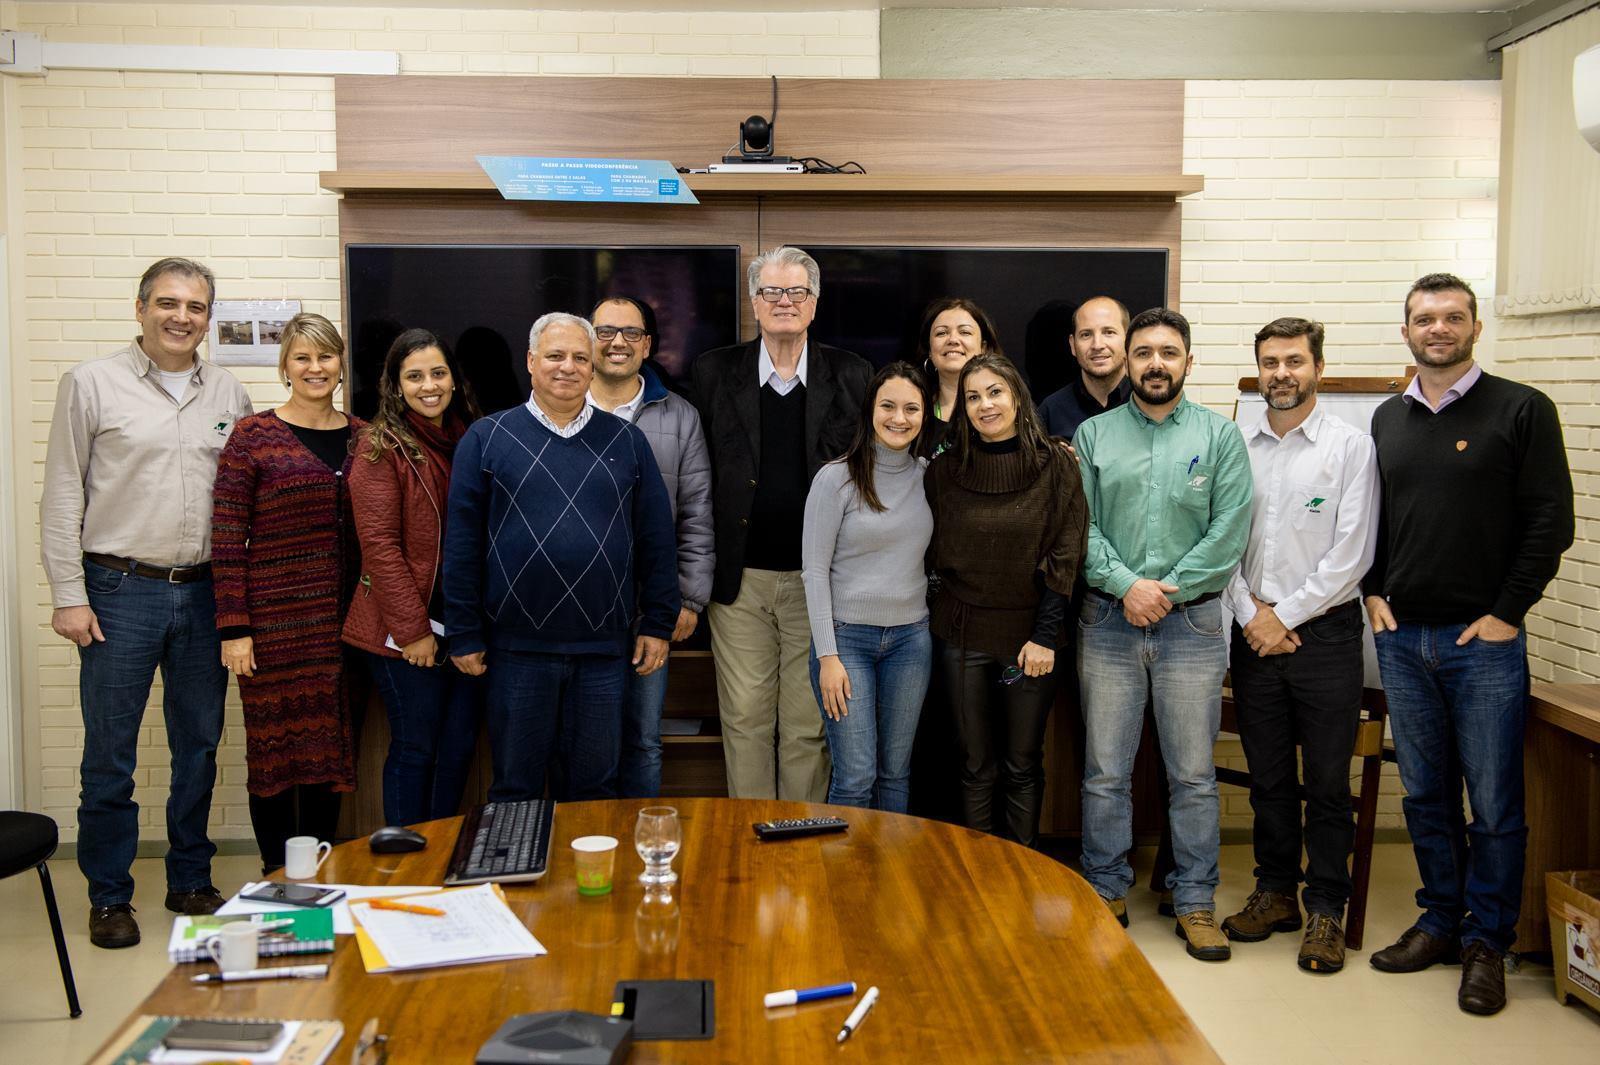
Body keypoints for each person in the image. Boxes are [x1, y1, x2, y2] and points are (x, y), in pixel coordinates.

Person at [1363, 273, 1573, 1015]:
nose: (1439, 328)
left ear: (1476, 327)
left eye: (1453, 316)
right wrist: (1374, 590)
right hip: (1404, 639)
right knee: (1424, 794)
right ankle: (1439, 921)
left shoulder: (1521, 409)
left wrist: (1509, 611)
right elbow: (1375, 522)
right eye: (1425, 318)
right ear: (1406, 331)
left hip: (1482, 641)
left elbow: (1551, 521)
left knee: (1492, 802)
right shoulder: (1388, 418)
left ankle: (1490, 940)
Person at [40, 258, 251, 947]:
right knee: (111, 753)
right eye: (167, 303)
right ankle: (109, 893)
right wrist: (68, 595)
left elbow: (244, 498)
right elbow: (63, 493)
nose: (181, 317)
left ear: (208, 318)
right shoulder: (91, 383)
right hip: (117, 589)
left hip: (203, 593)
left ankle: (189, 875)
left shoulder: (227, 390)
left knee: (198, 745)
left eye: (195, 306)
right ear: (140, 309)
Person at [1075, 307, 1251, 961]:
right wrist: (1128, 585)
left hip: (1194, 626)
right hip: (1109, 621)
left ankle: (1196, 900)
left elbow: (1229, 530)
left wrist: (1163, 589)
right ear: (1128, 360)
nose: (1155, 363)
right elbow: (1079, 527)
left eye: (1168, 352)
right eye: (1143, 351)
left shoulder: (1220, 436)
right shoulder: (1094, 434)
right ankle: (1105, 889)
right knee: (1104, 773)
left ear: (1187, 362)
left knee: (1194, 775)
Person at [444, 312, 679, 801]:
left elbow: (656, 538)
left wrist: (658, 623)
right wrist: (464, 632)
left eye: (578, 357)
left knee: (595, 788)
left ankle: (590, 881)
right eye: (554, 356)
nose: (567, 367)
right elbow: (462, 545)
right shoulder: (487, 439)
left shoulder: (627, 441)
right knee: (516, 787)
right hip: (516, 652)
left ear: (592, 365)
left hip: (603, 653)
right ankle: (515, 879)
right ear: (531, 362)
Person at [1218, 318, 1380, 974]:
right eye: (1269, 362)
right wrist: (1250, 612)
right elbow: (1218, 539)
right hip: (1250, 629)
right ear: (1257, 370)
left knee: (1329, 781)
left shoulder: (1351, 446)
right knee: (1270, 776)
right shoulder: (1235, 445)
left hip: (1326, 634)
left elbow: (1354, 552)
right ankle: (1276, 891)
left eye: (1293, 360)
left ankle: (1326, 909)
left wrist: (1282, 614)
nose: (1280, 372)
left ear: (1316, 366)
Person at [690, 246, 871, 801]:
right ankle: (748, 846)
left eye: (796, 292)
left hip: (819, 585)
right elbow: (699, 476)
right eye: (772, 292)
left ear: (814, 303)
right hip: (739, 581)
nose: (784, 302)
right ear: (754, 302)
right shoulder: (714, 372)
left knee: (806, 726)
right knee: (744, 720)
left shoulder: (853, 375)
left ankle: (797, 854)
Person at [211, 313, 365, 874]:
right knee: (275, 758)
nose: (315, 367)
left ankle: (315, 875)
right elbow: (226, 536)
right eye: (302, 357)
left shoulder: (364, 436)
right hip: (272, 633)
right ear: (285, 368)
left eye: (325, 356)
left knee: (328, 756)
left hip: (344, 632)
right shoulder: (253, 436)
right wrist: (235, 628)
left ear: (340, 363)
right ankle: (276, 876)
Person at [925, 353, 1087, 848]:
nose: (984, 405)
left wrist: (1043, 636)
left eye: (995, 392)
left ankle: (1021, 871)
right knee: (975, 764)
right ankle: (980, 874)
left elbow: (1066, 553)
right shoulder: (945, 471)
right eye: (972, 396)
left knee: (1020, 763)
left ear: (1016, 395)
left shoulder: (1056, 464)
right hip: (963, 641)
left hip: (1025, 650)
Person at [342, 329, 485, 827]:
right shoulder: (379, 447)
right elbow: (379, 548)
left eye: (438, 373)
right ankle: (405, 863)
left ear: (453, 379)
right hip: (405, 632)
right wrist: (414, 632)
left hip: (464, 625)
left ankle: (441, 851)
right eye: (415, 376)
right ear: (396, 386)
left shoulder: (473, 438)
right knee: (417, 746)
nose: (430, 385)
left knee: (458, 748)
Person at [588, 296, 714, 798]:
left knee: (643, 739)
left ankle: (639, 856)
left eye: (631, 333)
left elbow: (699, 512)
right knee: (584, 739)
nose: (617, 342)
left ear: (648, 344)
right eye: (605, 331)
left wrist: (687, 598)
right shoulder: (564, 408)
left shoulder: (680, 416)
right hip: (579, 611)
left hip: (649, 608)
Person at [803, 362, 935, 811]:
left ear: (925, 415)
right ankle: (845, 880)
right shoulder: (835, 478)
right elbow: (814, 572)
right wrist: (827, 656)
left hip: (911, 642)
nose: (899, 418)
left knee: (895, 774)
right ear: (870, 410)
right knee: (856, 776)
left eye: (911, 408)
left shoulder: (928, 476)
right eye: (888, 406)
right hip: (847, 643)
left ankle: (890, 877)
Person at [1036, 296, 1134, 441]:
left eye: (1108, 332)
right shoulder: (1050, 410)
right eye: (1086, 335)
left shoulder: (1145, 401)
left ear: (1128, 340)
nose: (1097, 345)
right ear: (1072, 345)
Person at [917, 296, 1005, 454]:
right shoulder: (912, 410)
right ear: (929, 350)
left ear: (983, 347)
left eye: (964, 332)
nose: (953, 340)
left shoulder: (1008, 406)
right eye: (941, 333)